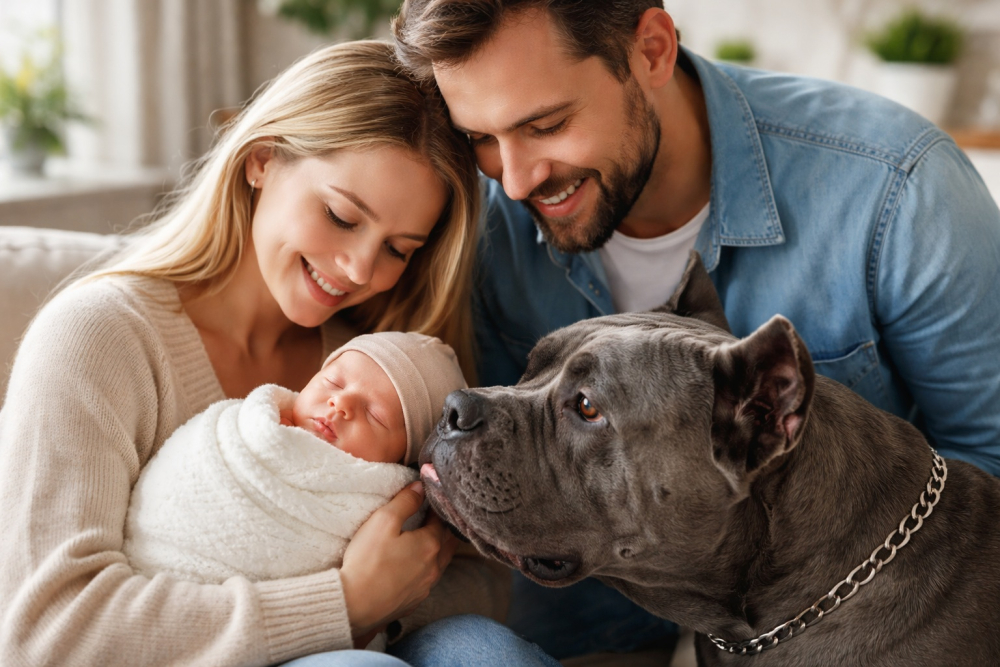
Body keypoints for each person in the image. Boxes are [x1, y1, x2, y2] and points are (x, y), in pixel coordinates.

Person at [392, 0, 1000, 660]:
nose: (513, 180)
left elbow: (988, 475)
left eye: (546, 124)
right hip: (574, 626)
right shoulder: (475, 220)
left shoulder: (897, 191)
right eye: (480, 137)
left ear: (652, 49)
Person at [0, 40, 559, 667]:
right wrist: (344, 603)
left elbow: (473, 575)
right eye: (341, 216)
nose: (360, 269)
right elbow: (44, 631)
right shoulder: (98, 339)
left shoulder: (376, 369)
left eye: (399, 249)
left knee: (484, 652)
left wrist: (393, 592)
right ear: (261, 160)